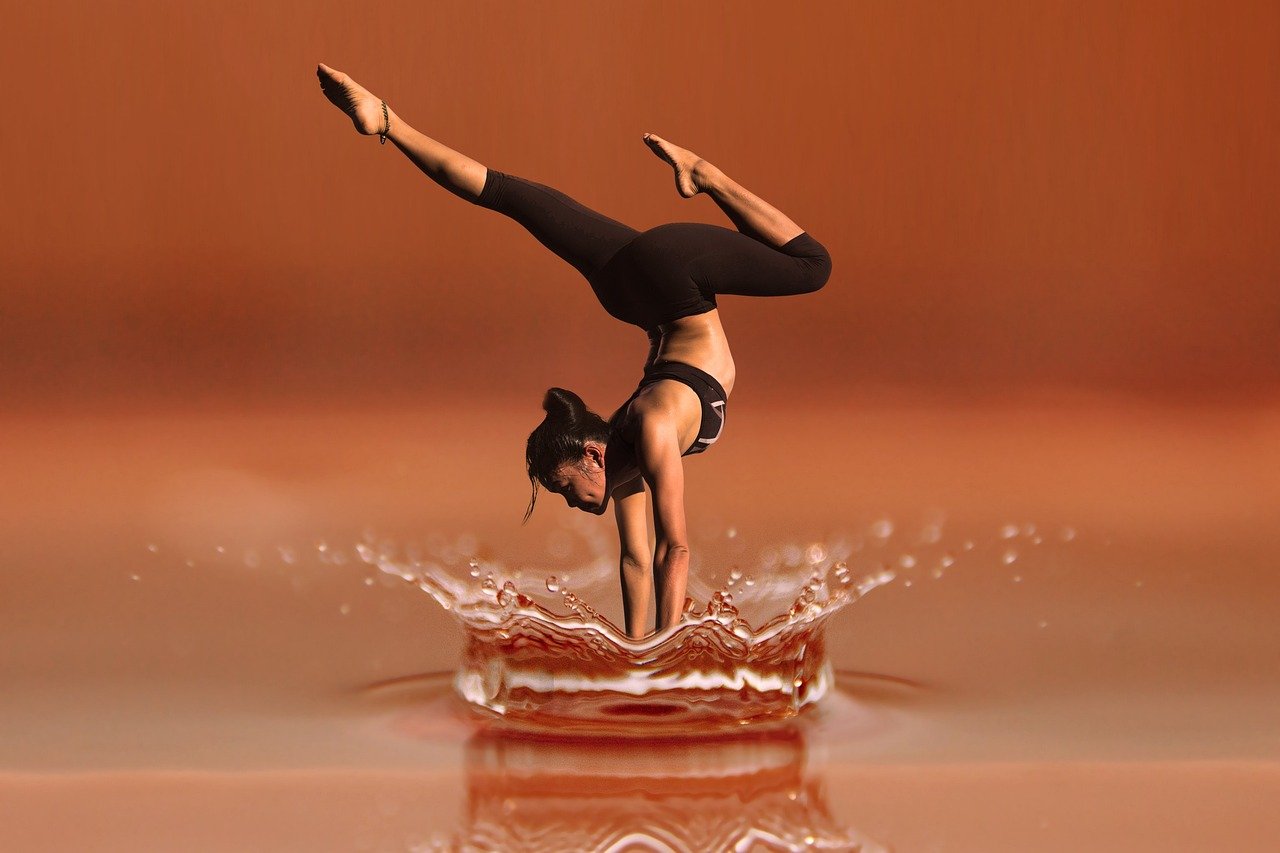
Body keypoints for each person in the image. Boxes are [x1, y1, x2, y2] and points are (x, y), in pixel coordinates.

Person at [317, 63, 831, 638]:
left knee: (813, 268)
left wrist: (665, 657)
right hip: (633, 291)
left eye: (563, 487)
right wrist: (636, 653)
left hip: (674, 276)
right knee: (513, 197)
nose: (570, 502)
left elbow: (676, 551)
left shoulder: (655, 427)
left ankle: (704, 174)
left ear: (592, 453)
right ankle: (386, 121)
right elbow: (636, 562)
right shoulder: (626, 462)